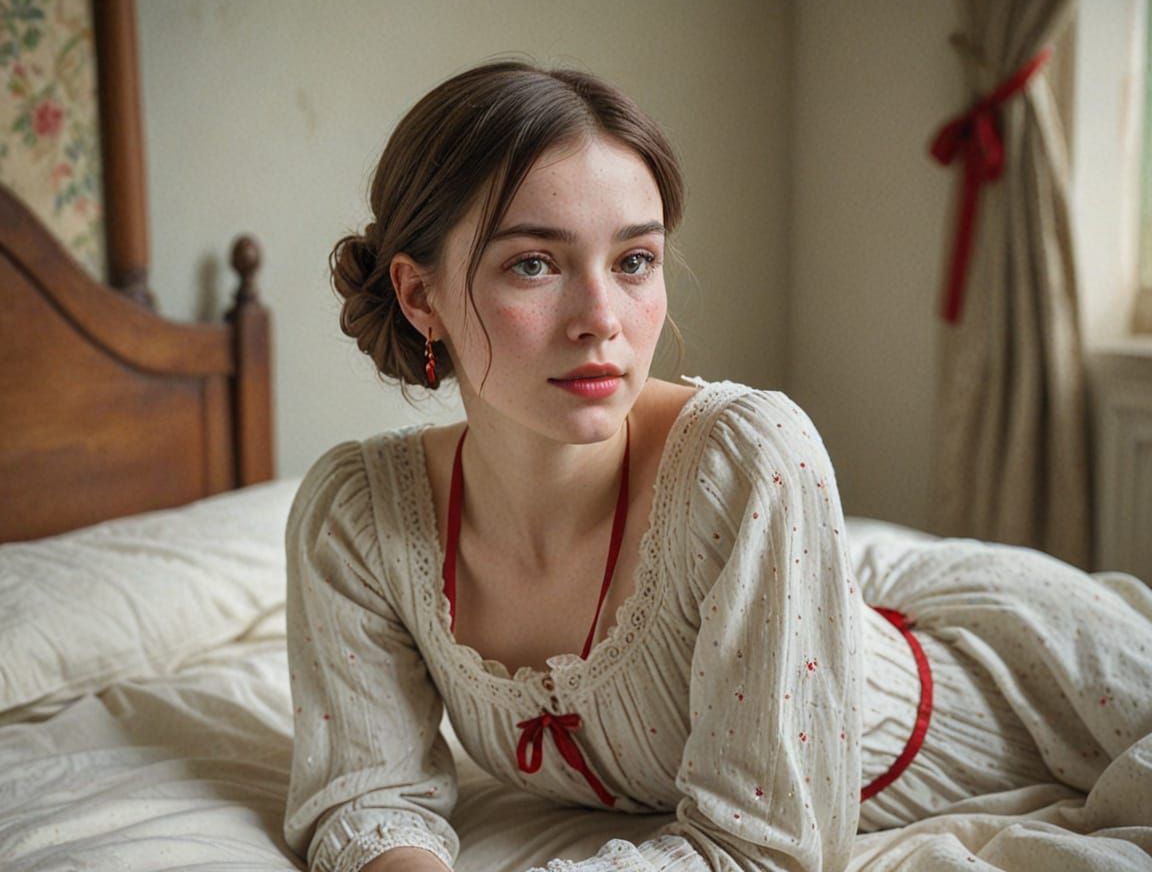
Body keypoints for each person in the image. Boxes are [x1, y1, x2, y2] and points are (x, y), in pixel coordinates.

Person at [283, 61, 1152, 872]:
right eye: (535, 263)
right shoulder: (358, 518)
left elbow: (757, 847)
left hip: (1003, 689)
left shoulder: (747, 455)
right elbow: (369, 794)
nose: (602, 318)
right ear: (418, 293)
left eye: (634, 261)